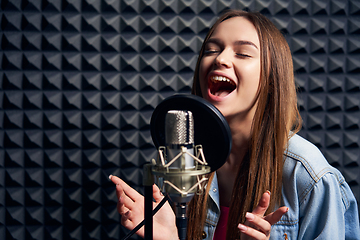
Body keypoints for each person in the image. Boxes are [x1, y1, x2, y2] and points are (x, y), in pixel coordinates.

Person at [109, 10, 360, 240]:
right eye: (211, 50)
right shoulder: (179, 158)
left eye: (242, 53)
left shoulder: (307, 176)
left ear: (271, 78)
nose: (220, 58)